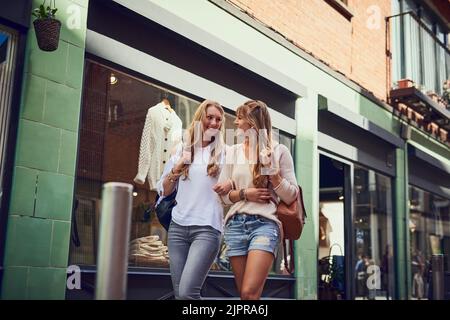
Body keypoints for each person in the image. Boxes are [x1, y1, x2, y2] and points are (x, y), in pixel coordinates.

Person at [215, 100, 298, 300]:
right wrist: (246, 193)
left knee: (249, 293)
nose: (235, 122)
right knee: (247, 297)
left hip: (265, 225)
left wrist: (274, 174)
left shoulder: (279, 151)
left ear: (253, 122)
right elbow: (225, 197)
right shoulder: (232, 152)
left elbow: (291, 194)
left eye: (240, 117)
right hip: (235, 225)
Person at [157, 99, 232, 299]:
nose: (215, 123)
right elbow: (164, 190)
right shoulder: (181, 149)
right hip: (178, 228)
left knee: (188, 293)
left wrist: (230, 185)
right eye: (210, 118)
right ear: (200, 118)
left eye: (219, 119)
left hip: (207, 229)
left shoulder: (224, 154)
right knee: (179, 294)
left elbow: (236, 185)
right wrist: (178, 166)